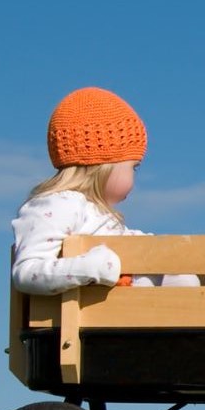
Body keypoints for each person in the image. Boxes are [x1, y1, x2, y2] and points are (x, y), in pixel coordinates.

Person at [11, 86, 162, 294]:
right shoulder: (60, 205)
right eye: (133, 167)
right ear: (105, 165)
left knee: (182, 272)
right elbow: (26, 272)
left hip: (130, 317)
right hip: (89, 321)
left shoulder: (99, 214)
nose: (135, 176)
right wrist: (91, 267)